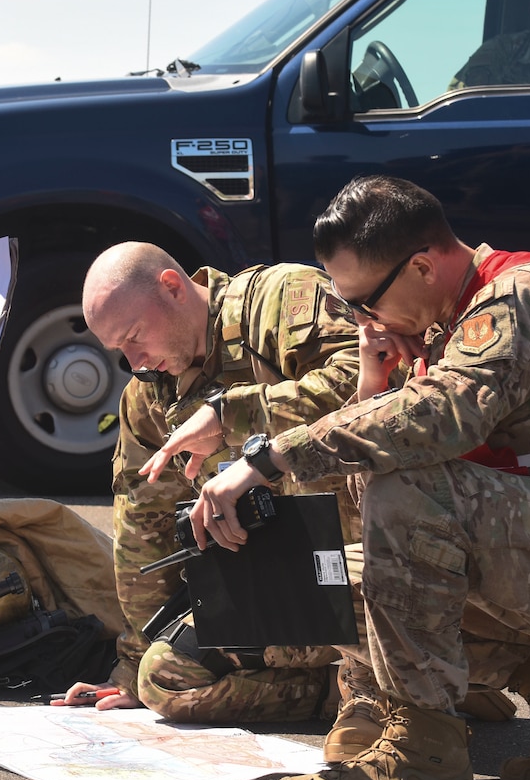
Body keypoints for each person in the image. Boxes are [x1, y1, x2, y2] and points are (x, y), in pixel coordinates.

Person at [185, 176, 530, 780]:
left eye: (366, 303)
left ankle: (420, 763)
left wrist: (268, 457)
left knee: (406, 488)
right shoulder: (446, 327)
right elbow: (375, 484)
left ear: (420, 266)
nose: (366, 321)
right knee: (319, 586)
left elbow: (439, 427)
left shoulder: (525, 296)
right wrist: (374, 380)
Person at [55, 242, 362, 726]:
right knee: (162, 677)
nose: (137, 360)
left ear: (173, 288)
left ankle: (403, 682)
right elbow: (144, 527)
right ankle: (344, 689)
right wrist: (133, 662)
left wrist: (230, 415)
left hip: (371, 568)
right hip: (280, 585)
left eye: (135, 336)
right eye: (120, 350)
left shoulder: (281, 302)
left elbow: (374, 388)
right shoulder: (150, 394)